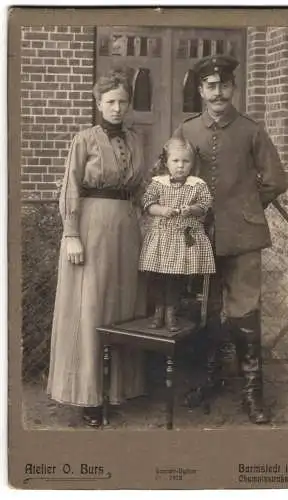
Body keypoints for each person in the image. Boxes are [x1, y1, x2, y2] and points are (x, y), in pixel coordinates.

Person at [174, 54, 288, 424]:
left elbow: (275, 180)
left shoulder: (252, 130)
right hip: (199, 237)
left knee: (245, 313)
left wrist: (246, 207)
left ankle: (253, 394)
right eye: (211, 85)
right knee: (204, 311)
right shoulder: (187, 132)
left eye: (224, 85)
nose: (218, 92)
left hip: (242, 236)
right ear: (202, 91)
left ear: (233, 88)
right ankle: (210, 379)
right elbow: (170, 175)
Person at [47, 70, 147, 427]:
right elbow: (70, 186)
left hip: (126, 229)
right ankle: (88, 395)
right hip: (90, 227)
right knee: (89, 307)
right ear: (98, 103)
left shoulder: (137, 140)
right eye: (110, 101)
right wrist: (71, 233)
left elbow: (141, 189)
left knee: (121, 307)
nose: (117, 107)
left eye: (122, 101)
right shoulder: (84, 139)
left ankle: (115, 390)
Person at [139, 137, 216, 332]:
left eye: (185, 161)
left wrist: (191, 209)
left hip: (184, 238)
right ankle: (158, 312)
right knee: (157, 276)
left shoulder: (197, 185)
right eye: (175, 161)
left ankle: (172, 313)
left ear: (192, 164)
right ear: (166, 162)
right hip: (162, 237)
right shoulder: (158, 183)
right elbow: (147, 204)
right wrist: (162, 210)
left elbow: (205, 205)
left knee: (176, 277)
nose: (180, 166)